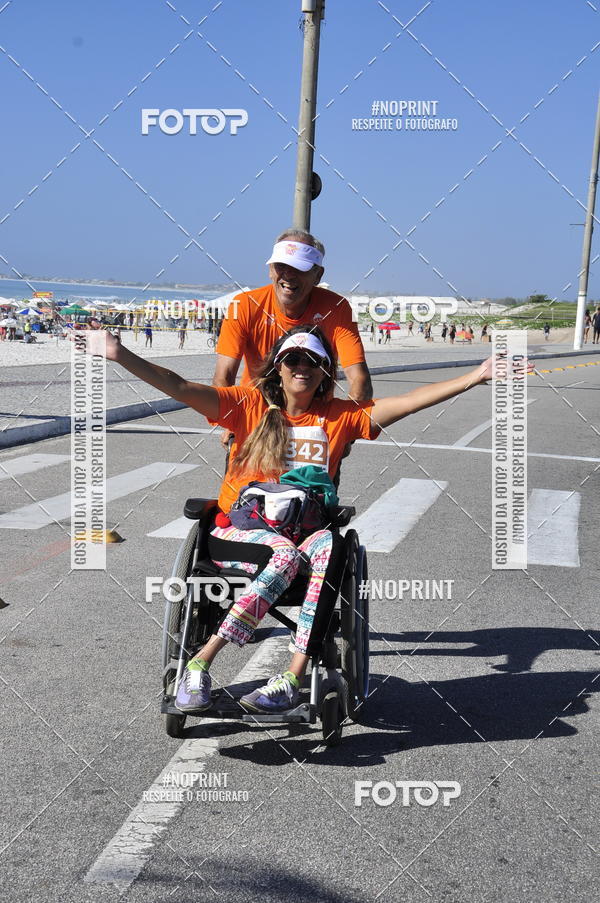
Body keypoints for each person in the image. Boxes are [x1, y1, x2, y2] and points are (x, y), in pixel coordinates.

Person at [76, 324, 531, 714]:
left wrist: (476, 375)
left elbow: (408, 402)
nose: (301, 367)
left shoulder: (339, 417)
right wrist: (119, 353)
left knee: (327, 545)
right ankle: (199, 665)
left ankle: (290, 681)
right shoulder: (246, 406)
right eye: (292, 358)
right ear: (278, 365)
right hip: (241, 533)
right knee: (284, 556)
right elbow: (177, 385)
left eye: (312, 361)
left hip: (304, 533)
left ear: (323, 372)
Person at [213, 229, 372, 405]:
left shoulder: (337, 308)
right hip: (256, 414)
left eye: (299, 268)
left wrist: (347, 425)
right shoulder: (244, 305)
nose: (288, 275)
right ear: (270, 270)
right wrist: (230, 422)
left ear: (318, 275)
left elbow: (359, 380)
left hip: (314, 419)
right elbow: (224, 376)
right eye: (281, 266)